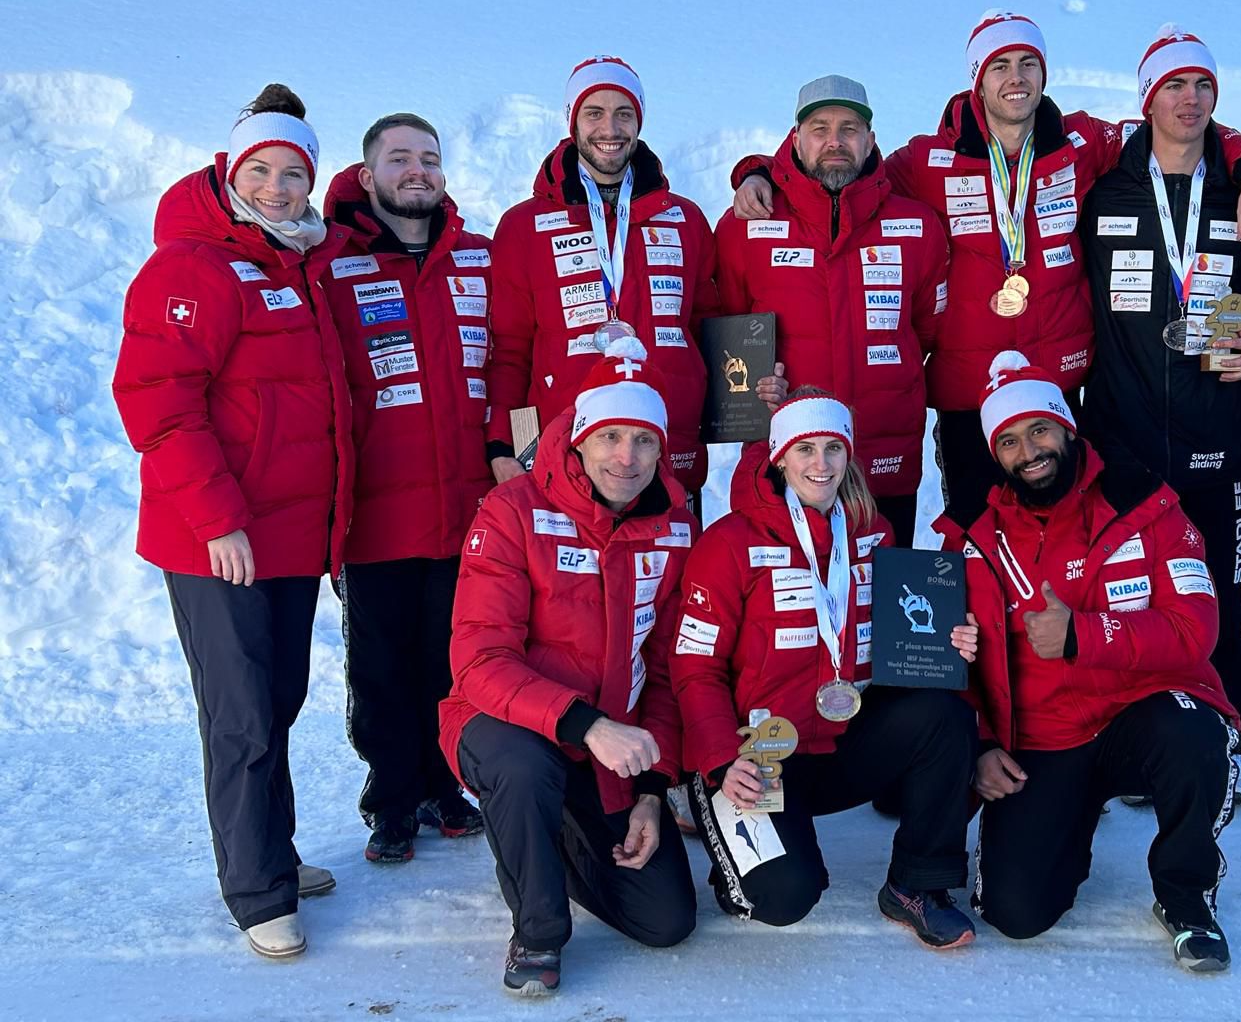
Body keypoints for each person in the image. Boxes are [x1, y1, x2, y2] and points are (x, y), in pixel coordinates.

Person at [732, 11, 1241, 528]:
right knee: (976, 538)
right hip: (970, 394)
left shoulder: (1083, 143)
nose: (1016, 78)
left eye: (1028, 64)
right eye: (1000, 65)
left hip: (1056, 389)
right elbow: (844, 171)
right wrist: (758, 172)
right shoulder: (926, 161)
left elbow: (1179, 120)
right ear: (977, 79)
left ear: (1044, 74)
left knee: (1061, 538)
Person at [112, 84, 354, 959]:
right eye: (264, 170)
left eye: (297, 173)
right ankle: (257, 891)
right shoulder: (192, 266)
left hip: (288, 537)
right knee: (243, 713)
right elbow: (159, 403)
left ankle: (273, 853)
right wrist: (218, 519)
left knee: (278, 700)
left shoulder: (302, 262)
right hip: (217, 538)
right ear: (230, 170)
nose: (283, 188)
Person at [946, 351, 1238, 972]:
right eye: (1009, 441)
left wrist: (1083, 635)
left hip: (1141, 709)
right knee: (1015, 914)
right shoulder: (969, 535)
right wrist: (979, 745)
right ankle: (1065, 822)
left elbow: (1196, 629)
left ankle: (1186, 896)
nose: (1030, 451)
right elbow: (947, 661)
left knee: (1193, 732)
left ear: (1067, 428)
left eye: (1040, 430)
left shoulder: (1146, 502)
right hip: (1044, 736)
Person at [670, 390, 980, 947]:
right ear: (779, 457)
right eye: (805, 448)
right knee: (783, 898)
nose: (821, 464)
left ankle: (917, 885)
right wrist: (719, 760)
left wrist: (948, 643)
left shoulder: (874, 533)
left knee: (943, 715)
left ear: (849, 455)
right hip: (755, 752)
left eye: (833, 448)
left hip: (840, 742)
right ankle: (722, 824)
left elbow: (900, 650)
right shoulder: (729, 543)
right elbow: (695, 671)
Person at [437, 339, 697, 996]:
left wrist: (651, 792)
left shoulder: (674, 524)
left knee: (664, 920)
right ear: (579, 440)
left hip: (610, 745)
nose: (626, 458)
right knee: (522, 769)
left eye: (643, 441)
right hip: (509, 723)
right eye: (610, 436)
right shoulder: (512, 510)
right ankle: (539, 927)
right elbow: (479, 660)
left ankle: (547, 837)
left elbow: (669, 668)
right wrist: (587, 725)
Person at [1077, 27, 1241, 803]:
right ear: (1147, 100)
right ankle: (1142, 748)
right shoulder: (1105, 187)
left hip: (1216, 435)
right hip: (1122, 438)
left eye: (1202, 87)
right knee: (1132, 596)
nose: (1189, 100)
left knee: (1220, 599)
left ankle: (1225, 746)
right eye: (1173, 86)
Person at [320, 114, 492, 861]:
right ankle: (390, 798)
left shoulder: (483, 261)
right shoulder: (330, 267)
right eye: (399, 159)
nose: (417, 170)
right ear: (368, 176)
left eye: (430, 158)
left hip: (472, 512)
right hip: (378, 519)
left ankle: (443, 786)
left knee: (453, 662)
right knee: (382, 670)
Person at [714, 77, 949, 546]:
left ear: (871, 141)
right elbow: (732, 334)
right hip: (787, 453)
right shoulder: (748, 224)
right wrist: (761, 387)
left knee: (880, 596)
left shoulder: (917, 225)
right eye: (819, 128)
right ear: (796, 138)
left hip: (885, 449)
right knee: (784, 604)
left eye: (850, 127)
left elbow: (926, 329)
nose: (835, 141)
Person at [485, 56, 722, 509]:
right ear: (572, 121)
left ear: (640, 122)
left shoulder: (687, 220)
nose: (609, 129)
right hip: (564, 457)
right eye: (594, 113)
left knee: (670, 578)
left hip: (668, 454)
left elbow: (710, 332)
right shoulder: (523, 226)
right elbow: (511, 351)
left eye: (624, 113)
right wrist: (509, 446)